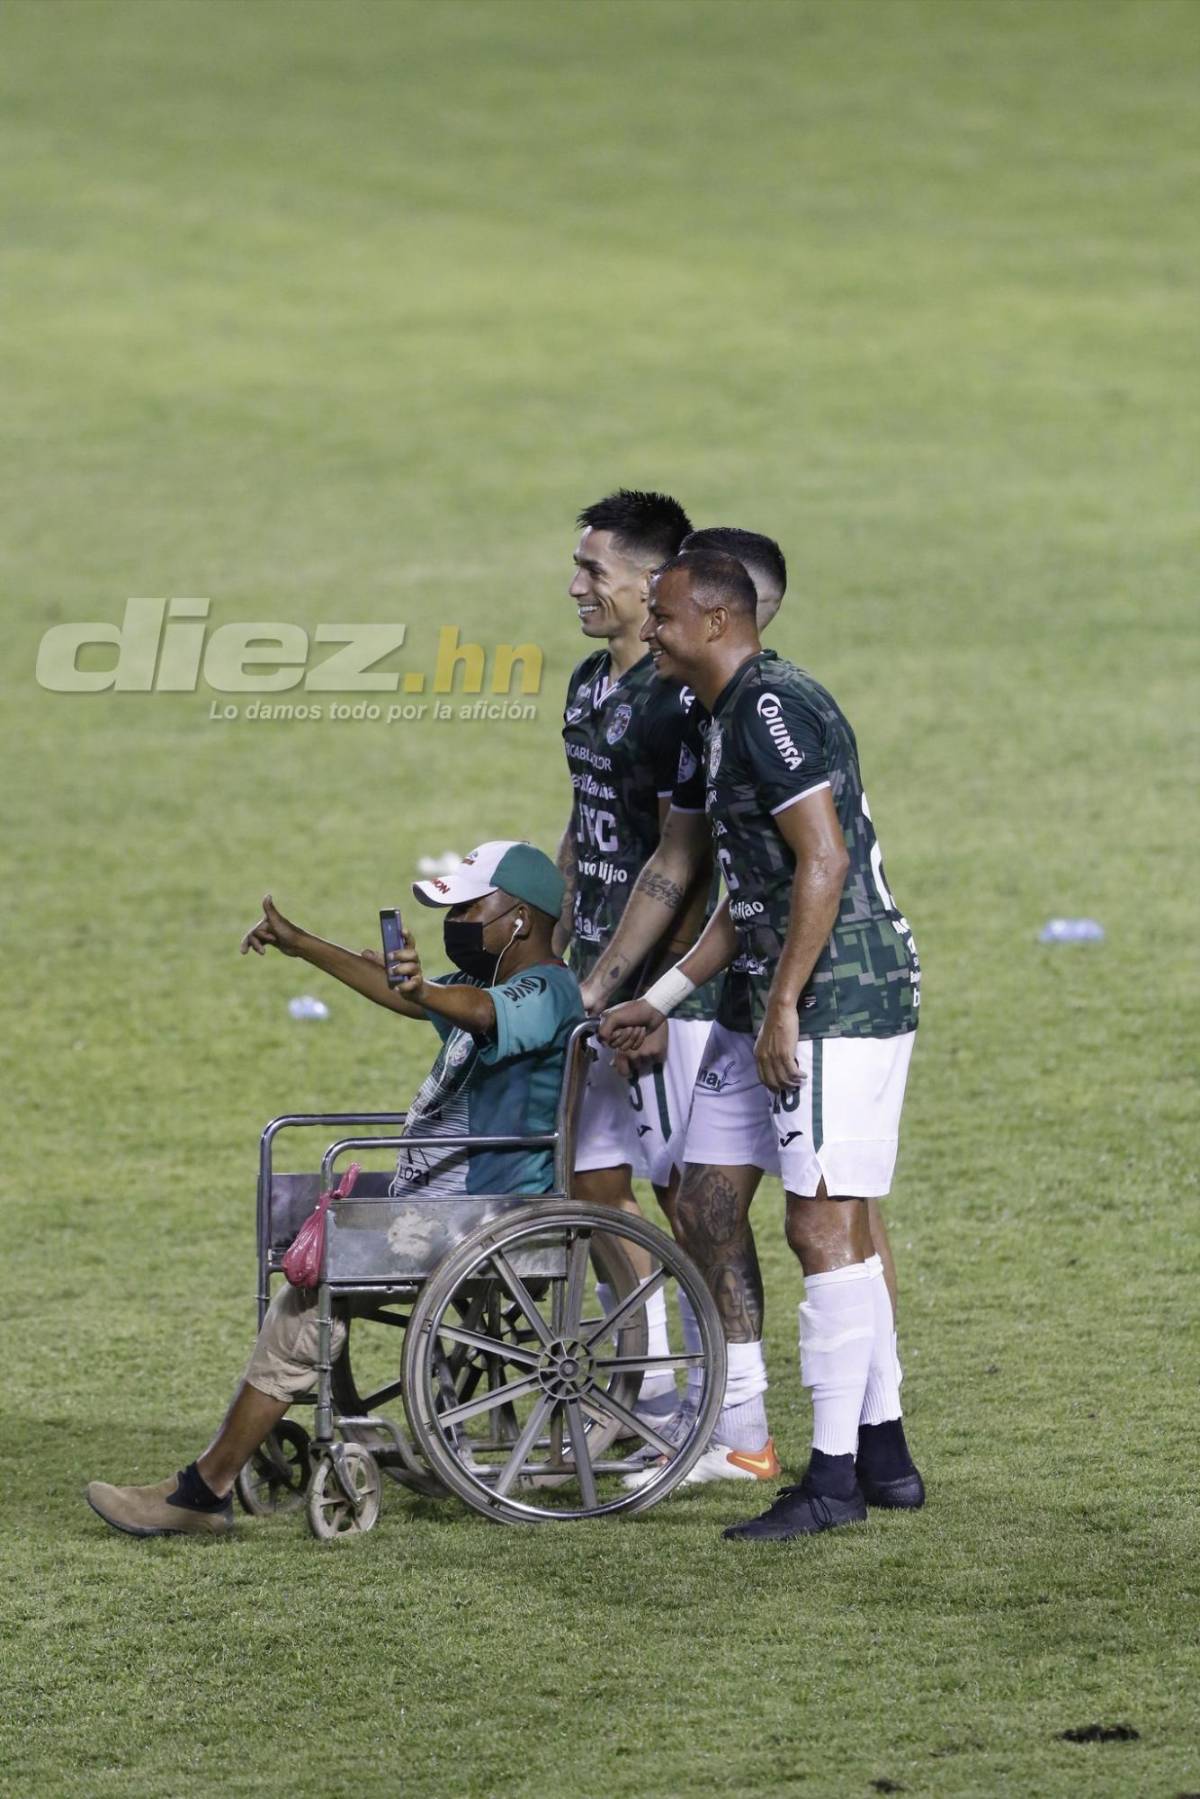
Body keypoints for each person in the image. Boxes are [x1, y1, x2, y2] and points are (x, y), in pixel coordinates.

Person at [86, 841, 583, 1538]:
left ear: (521, 918)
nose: (456, 923)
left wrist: (425, 991)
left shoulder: (545, 990)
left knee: (306, 1296)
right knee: (305, 1266)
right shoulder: (495, 983)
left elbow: (478, 1011)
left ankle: (204, 1489)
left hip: (483, 1216)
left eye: (470, 909)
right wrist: (302, 944)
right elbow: (403, 990)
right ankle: (223, 1466)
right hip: (446, 1205)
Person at [601, 550, 923, 1539]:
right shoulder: (721, 714)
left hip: (836, 996)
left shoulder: (772, 707)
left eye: (662, 616)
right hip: (761, 993)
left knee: (820, 1226)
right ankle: (884, 1455)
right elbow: (748, 897)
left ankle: (834, 1479)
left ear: (715, 620)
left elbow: (825, 859)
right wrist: (661, 997)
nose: (649, 631)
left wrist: (785, 1005)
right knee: (707, 1195)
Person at [558, 488, 716, 1426]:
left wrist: (643, 991)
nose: (575, 586)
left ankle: (724, 1398)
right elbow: (585, 819)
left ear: (654, 581)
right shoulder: (589, 682)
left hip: (659, 992)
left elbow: (682, 861)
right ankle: (651, 1376)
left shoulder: (674, 702)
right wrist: (554, 941)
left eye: (593, 570)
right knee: (590, 1181)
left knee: (688, 1196)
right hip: (592, 974)